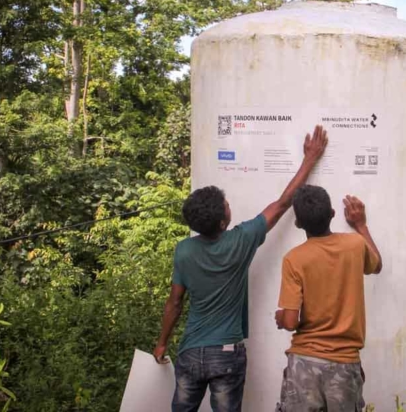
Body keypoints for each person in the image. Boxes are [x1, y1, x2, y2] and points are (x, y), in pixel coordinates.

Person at [153, 125, 329, 412]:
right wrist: (309, 159)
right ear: (223, 221)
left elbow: (174, 302)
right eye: (225, 203)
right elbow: (284, 203)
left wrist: (162, 343)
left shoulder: (183, 251)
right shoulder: (240, 241)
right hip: (226, 353)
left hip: (191, 352)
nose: (227, 203)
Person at [274, 185, 383, 412]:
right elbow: (377, 265)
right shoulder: (355, 245)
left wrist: (282, 317)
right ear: (333, 213)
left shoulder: (294, 259)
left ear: (298, 223)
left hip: (304, 360)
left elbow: (291, 322)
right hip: (345, 362)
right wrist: (361, 225)